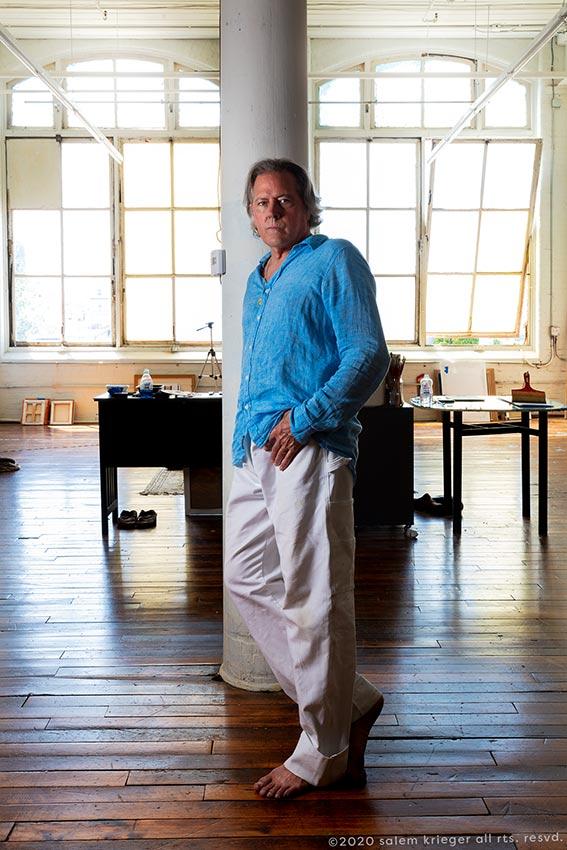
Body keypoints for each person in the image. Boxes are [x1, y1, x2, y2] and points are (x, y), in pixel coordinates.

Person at [224, 157, 390, 799]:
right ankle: (350, 701)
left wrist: (307, 418)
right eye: (261, 201)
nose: (272, 211)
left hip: (309, 447)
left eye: (285, 200)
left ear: (307, 205)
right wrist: (245, 441)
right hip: (257, 448)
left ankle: (323, 750)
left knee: (315, 598)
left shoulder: (334, 259)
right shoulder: (256, 279)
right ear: (250, 212)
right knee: (245, 576)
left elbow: (367, 354)